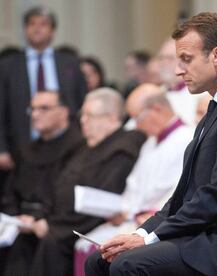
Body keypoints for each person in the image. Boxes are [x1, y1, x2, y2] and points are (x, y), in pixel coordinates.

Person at [86, 12, 217, 276]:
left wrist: (149, 240)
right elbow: (183, 194)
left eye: (186, 60)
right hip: (213, 232)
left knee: (128, 264)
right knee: (99, 260)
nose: (179, 71)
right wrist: (142, 232)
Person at [3, 88, 145, 276]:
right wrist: (41, 218)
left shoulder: (121, 150)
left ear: (111, 118)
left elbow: (102, 202)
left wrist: (53, 226)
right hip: (61, 222)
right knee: (22, 242)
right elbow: (58, 186)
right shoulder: (88, 146)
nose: (83, 120)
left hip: (79, 228)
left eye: (89, 115)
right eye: (82, 114)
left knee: (51, 242)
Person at [73, 84, 194, 276]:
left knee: (103, 253)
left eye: (138, 117)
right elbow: (134, 185)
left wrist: (134, 213)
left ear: (156, 109)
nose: (136, 126)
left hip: (154, 220)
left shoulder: (186, 139)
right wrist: (122, 209)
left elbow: (176, 191)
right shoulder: (150, 142)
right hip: (132, 216)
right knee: (86, 245)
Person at [0, 5, 87, 186]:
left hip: (66, 145)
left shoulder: (68, 62)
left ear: (53, 30)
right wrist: (2, 148)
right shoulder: (8, 65)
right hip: (20, 144)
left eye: (43, 24)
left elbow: (81, 101)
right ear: (25, 29)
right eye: (32, 24)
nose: (37, 28)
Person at [0, 91, 84, 273]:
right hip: (21, 226)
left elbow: (68, 193)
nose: (36, 114)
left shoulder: (79, 147)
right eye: (33, 109)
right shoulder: (27, 150)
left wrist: (39, 219)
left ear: (63, 111)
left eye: (44, 108)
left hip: (55, 224)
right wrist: (15, 216)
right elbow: (11, 192)